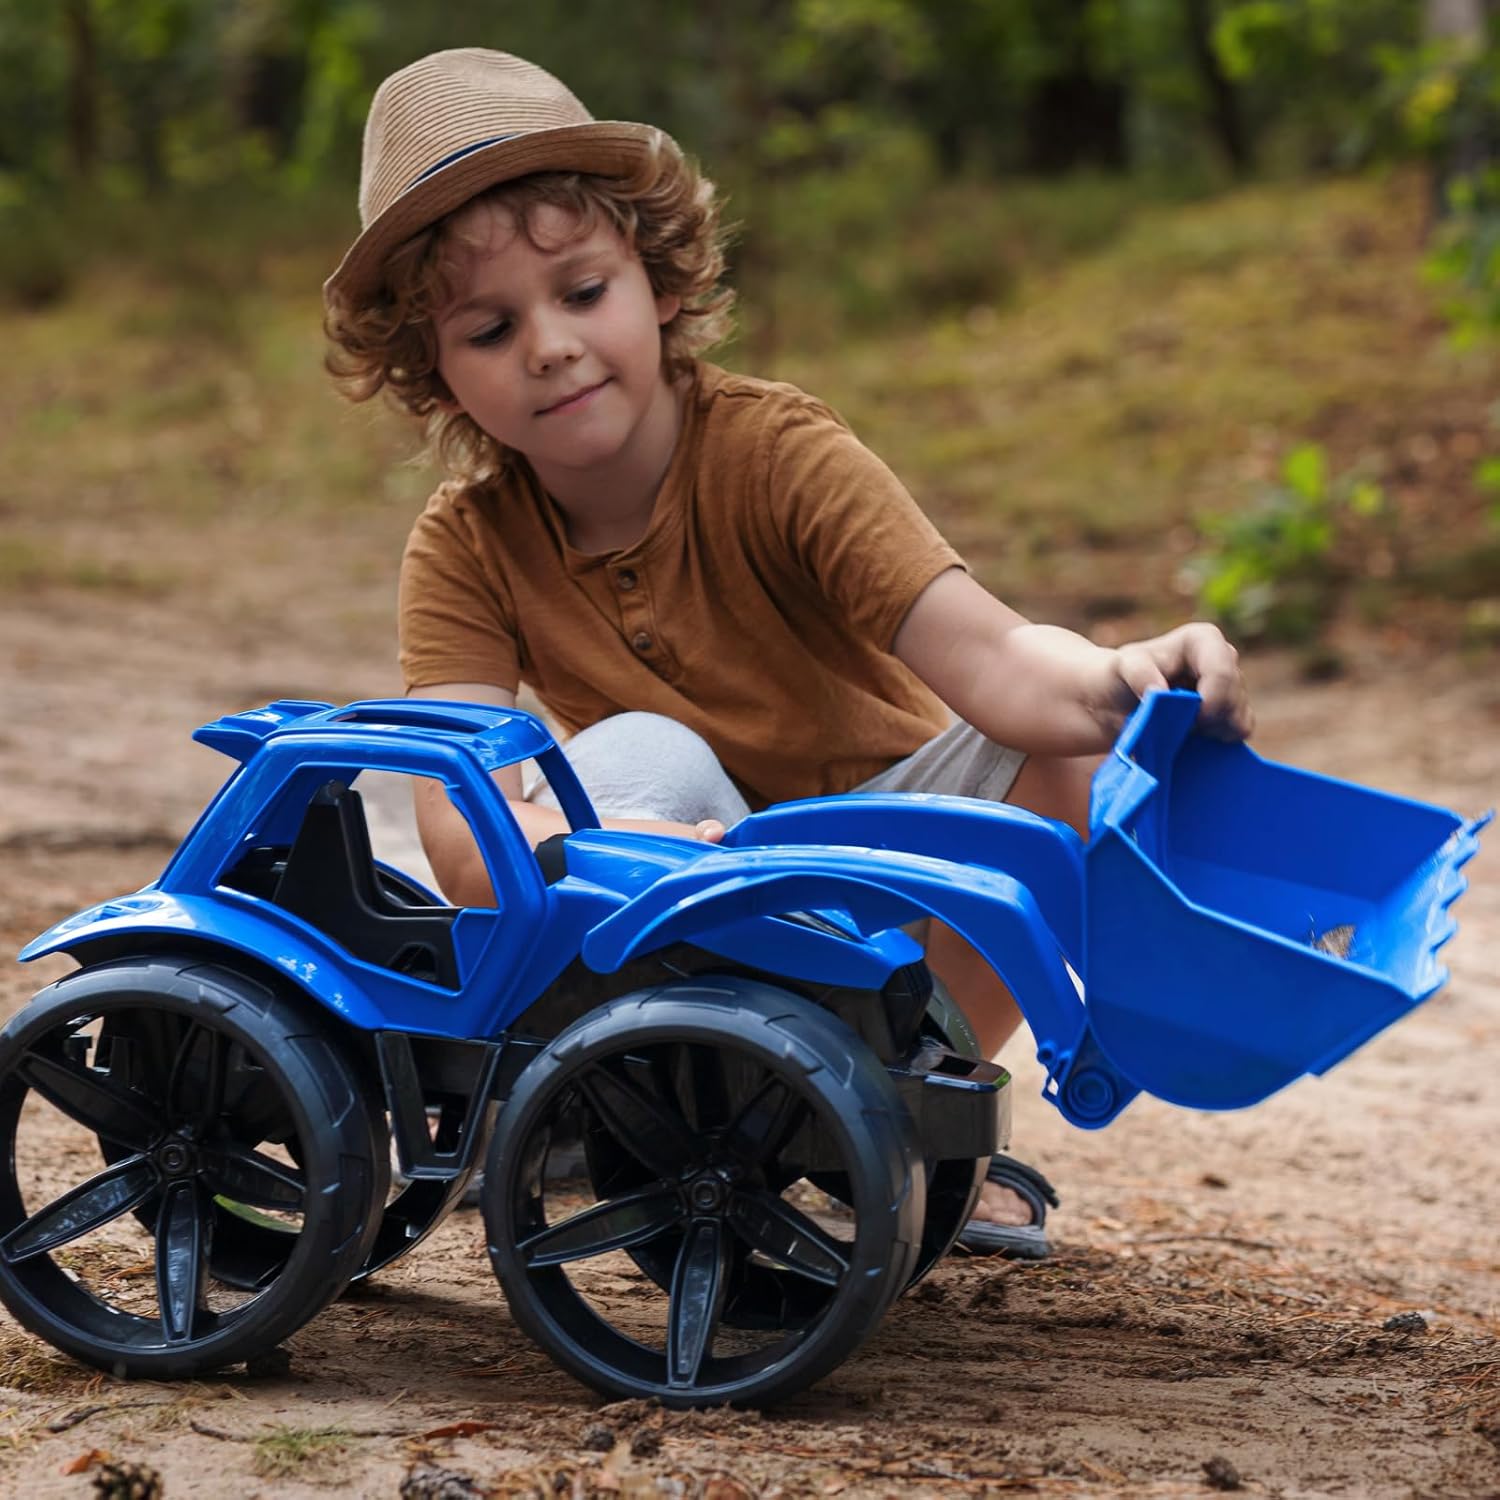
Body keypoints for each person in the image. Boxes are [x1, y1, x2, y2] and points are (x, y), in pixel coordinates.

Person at [323, 48, 1253, 1258]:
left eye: (582, 291)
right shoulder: (468, 544)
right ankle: (648, 1094)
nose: (549, 346)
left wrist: (1123, 677)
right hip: (675, 880)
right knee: (630, 753)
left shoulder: (778, 454)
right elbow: (459, 819)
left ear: (655, 282)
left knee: (1060, 762)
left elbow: (997, 659)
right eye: (491, 327)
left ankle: (914, 1106)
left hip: (874, 863)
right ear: (432, 367)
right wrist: (607, 846)